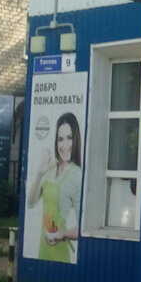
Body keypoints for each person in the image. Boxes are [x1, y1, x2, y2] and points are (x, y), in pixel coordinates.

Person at [26, 112, 82, 263]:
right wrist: (39, 174)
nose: (64, 145)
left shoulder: (77, 175)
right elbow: (30, 203)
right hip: (42, 250)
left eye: (69, 138)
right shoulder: (50, 169)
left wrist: (62, 233)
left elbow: (82, 228)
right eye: (60, 139)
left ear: (76, 139)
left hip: (60, 253)